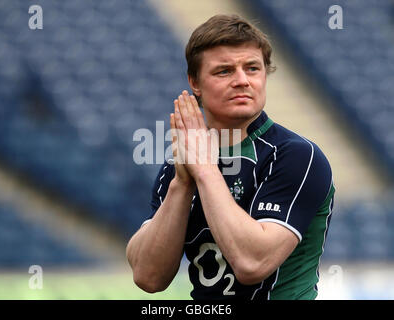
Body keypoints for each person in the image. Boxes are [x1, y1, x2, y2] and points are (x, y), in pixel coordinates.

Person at [126, 14, 335, 300]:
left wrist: (205, 170)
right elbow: (148, 277)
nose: (242, 81)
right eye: (224, 71)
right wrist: (182, 185)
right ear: (194, 83)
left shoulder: (296, 156)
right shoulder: (180, 166)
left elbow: (252, 263)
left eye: (252, 68)